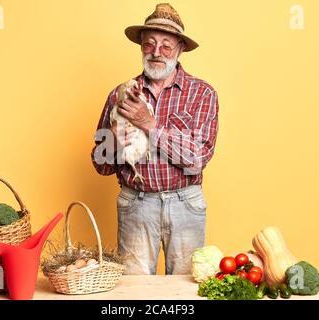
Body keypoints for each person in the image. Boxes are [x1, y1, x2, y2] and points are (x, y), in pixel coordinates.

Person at [91, 3, 219, 275]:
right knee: (134, 292)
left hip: (186, 203)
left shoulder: (202, 94)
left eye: (166, 45)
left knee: (186, 288)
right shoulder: (120, 95)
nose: (157, 52)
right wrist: (112, 141)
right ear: (140, 47)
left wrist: (148, 125)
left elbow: (196, 160)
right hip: (136, 203)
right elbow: (101, 165)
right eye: (149, 44)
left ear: (180, 49)